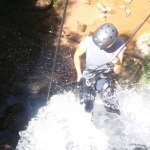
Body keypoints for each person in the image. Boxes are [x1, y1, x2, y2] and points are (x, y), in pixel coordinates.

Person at [74, 23, 126, 113]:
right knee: (85, 107)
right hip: (88, 76)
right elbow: (77, 55)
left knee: (113, 109)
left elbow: (117, 71)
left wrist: (117, 62)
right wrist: (79, 74)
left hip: (104, 77)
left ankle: (114, 124)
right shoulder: (88, 41)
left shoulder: (119, 45)